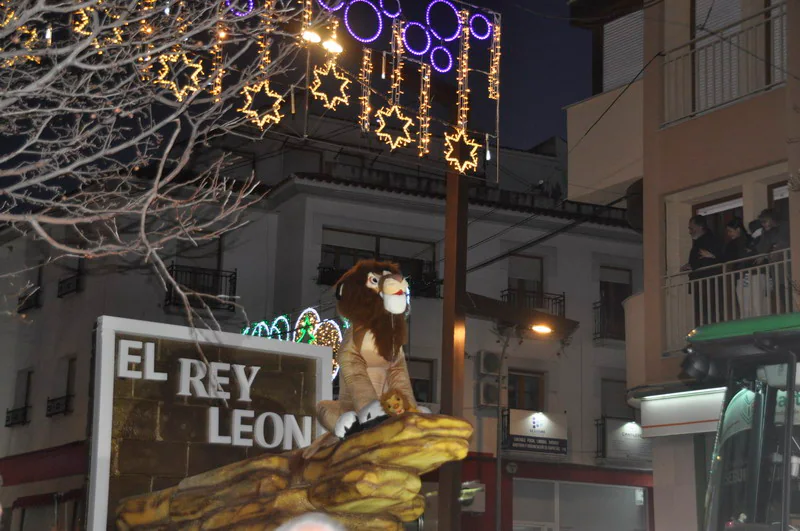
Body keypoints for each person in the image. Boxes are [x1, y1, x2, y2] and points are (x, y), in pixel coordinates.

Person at [680, 215, 722, 327]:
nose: (690, 231)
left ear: (700, 227)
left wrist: (712, 257)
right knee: (702, 312)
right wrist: (691, 265)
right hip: (700, 283)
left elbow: (719, 258)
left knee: (708, 311)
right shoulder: (701, 241)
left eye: (691, 228)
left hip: (708, 282)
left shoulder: (711, 240)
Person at [753, 208, 790, 314]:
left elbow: (784, 243)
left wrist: (775, 249)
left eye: (765, 221)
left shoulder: (784, 226)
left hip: (789, 268)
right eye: (762, 222)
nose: (763, 224)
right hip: (776, 272)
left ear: (772, 219)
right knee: (783, 297)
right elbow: (762, 248)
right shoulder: (766, 232)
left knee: (792, 294)